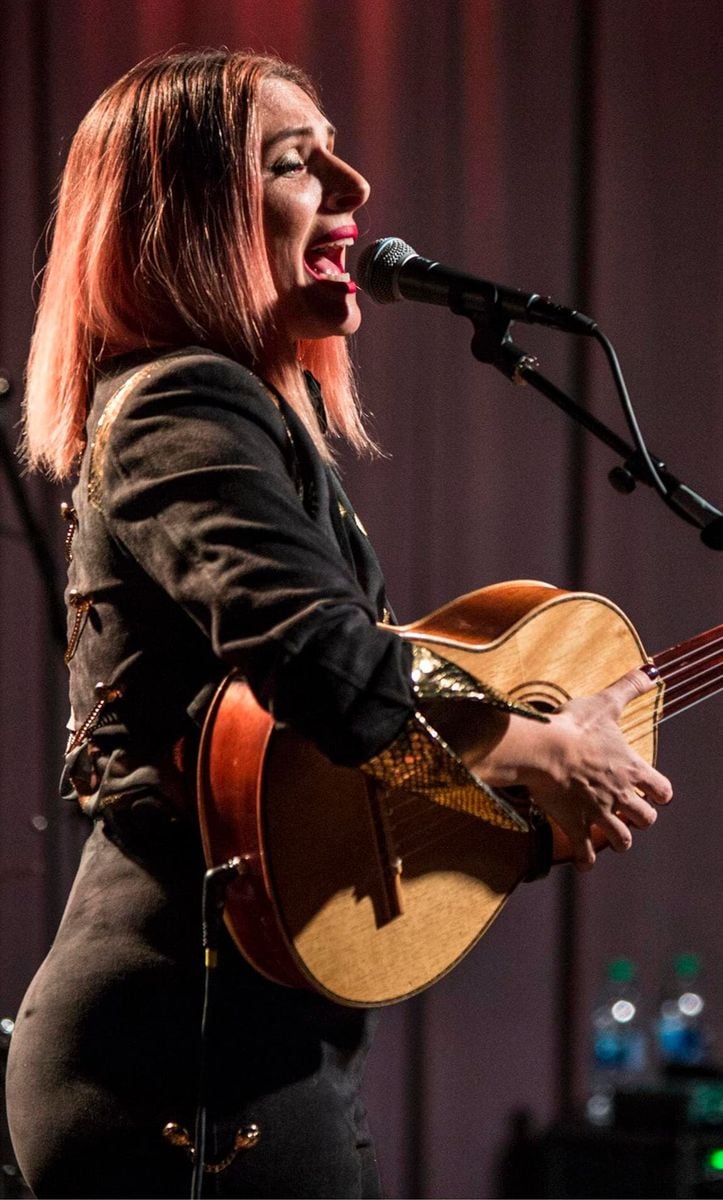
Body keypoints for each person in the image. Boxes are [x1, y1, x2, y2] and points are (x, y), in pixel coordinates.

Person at [6, 49, 672, 1200]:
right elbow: (325, 663)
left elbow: (322, 756)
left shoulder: (250, 409)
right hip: (180, 1058)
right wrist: (542, 746)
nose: (356, 188)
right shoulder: (183, 398)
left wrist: (527, 811)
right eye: (296, 163)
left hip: (249, 1042)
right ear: (188, 218)